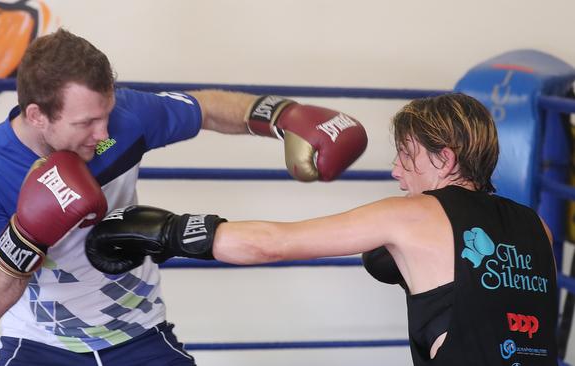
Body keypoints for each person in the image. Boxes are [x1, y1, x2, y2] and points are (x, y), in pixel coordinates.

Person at [0, 28, 367, 365]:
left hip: (139, 335)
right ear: (36, 116)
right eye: (86, 122)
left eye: (106, 113)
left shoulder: (125, 118)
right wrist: (27, 232)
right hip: (40, 347)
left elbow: (205, 108)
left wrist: (280, 114)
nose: (102, 134)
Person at [86, 93, 559, 366]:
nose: (396, 169)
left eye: (407, 154)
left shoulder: (412, 215)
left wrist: (164, 231)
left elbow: (273, 244)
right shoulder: (537, 226)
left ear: (445, 159)